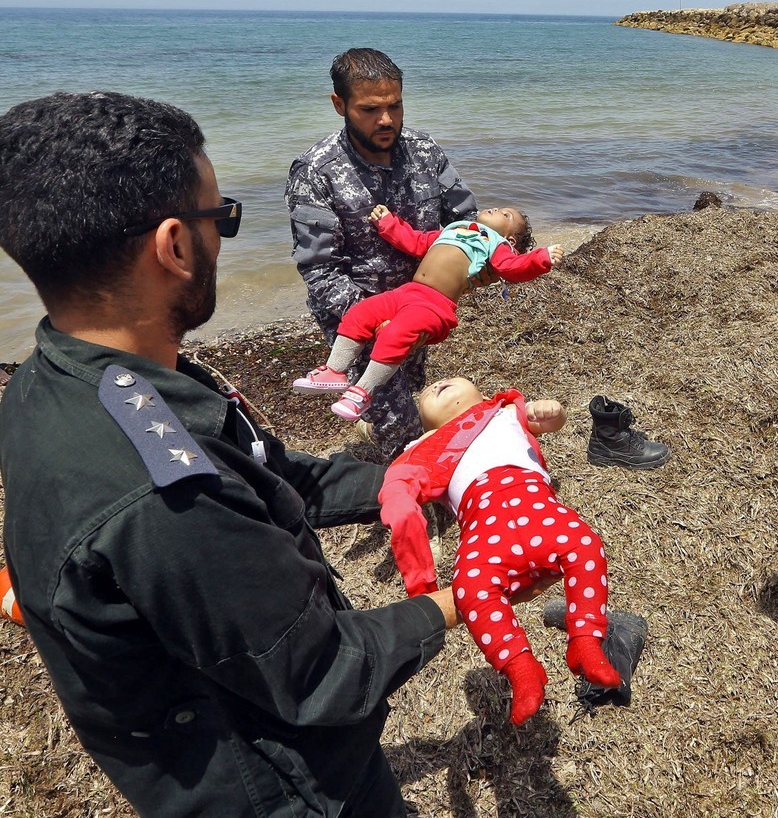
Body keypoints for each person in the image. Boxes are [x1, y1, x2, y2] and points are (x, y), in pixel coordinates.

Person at [0, 91, 464, 817]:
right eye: (223, 219)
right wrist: (463, 597)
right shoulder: (166, 499)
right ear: (175, 245)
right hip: (279, 789)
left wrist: (426, 474)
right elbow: (325, 672)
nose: (226, 237)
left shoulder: (58, 376)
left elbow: (275, 477)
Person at [378, 377, 621, 725]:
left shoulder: (505, 411)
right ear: (425, 423)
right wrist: (399, 501)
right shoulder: (426, 444)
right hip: (483, 523)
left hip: (537, 505)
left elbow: (549, 422)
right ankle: (520, 668)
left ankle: (585, 641)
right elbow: (401, 483)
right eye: (426, 393)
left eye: (448, 380)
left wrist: (551, 411)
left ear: (480, 393)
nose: (436, 385)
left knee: (585, 545)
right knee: (469, 587)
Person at [287, 47, 479, 453]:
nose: (387, 119)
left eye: (395, 105)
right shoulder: (315, 172)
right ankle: (407, 495)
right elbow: (320, 270)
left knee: (413, 387)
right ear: (339, 105)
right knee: (401, 424)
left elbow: (464, 220)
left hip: (421, 306)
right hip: (360, 323)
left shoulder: (424, 151)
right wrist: (380, 321)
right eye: (370, 109)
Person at [293, 205, 564, 421]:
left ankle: (362, 392)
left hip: (435, 305)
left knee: (396, 334)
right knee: (359, 314)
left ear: (510, 238)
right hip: (408, 292)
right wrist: (388, 223)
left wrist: (541, 258)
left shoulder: (496, 244)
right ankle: (334, 371)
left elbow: (513, 268)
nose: (496, 209)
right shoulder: (453, 230)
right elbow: (415, 241)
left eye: (507, 215)